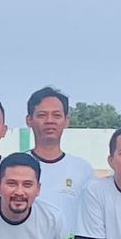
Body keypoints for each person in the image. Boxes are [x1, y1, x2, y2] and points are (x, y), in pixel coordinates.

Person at [24, 87, 94, 229]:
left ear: (66, 120)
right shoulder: (15, 167)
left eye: (56, 115)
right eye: (42, 115)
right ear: (29, 120)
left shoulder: (83, 170)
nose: (50, 121)